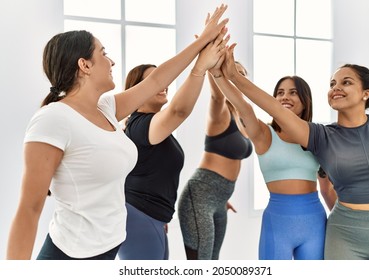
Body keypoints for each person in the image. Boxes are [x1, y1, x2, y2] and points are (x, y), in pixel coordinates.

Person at [6, 4, 229, 260]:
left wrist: (201, 49)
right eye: (103, 54)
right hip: (70, 257)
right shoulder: (53, 119)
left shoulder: (106, 108)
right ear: (85, 65)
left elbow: (156, 81)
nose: (111, 61)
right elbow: (29, 209)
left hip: (108, 250)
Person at [221, 44, 369, 260]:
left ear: (366, 93)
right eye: (332, 84)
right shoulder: (321, 136)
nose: (336, 88)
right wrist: (231, 76)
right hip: (344, 231)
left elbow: (327, 192)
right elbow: (273, 110)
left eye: (346, 82)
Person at [207, 55, 336, 259]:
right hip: (277, 224)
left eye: (293, 93)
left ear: (306, 100)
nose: (285, 97)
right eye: (280, 93)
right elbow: (244, 107)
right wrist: (218, 74)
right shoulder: (263, 133)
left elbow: (327, 189)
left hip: (315, 223)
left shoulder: (316, 136)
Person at [117, 27, 230, 260]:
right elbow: (179, 110)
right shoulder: (140, 126)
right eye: (153, 80)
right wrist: (199, 67)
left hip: (151, 219)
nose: (164, 83)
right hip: (140, 218)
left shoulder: (147, 125)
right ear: (136, 90)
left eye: (165, 78)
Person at [177, 61, 252, 260]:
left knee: (214, 261)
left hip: (220, 200)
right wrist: (214, 63)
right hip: (200, 197)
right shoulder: (220, 112)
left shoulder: (241, 117)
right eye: (231, 74)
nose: (237, 79)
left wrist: (222, 197)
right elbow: (216, 94)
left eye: (241, 75)